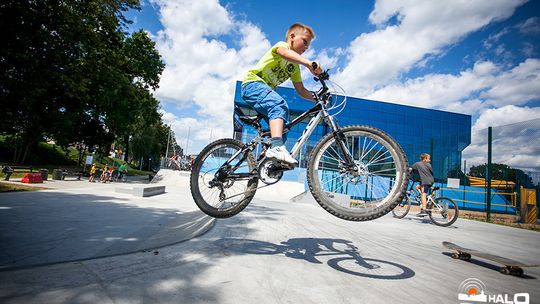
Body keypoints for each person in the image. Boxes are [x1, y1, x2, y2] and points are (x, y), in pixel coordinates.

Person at [241, 23, 322, 165]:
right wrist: (309, 63)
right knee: (279, 104)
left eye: (308, 46)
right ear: (292, 37)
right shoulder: (281, 46)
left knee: (283, 128)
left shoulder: (294, 67)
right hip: (252, 84)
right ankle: (276, 147)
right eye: (304, 42)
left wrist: (318, 99)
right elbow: (285, 53)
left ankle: (264, 161)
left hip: (263, 92)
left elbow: (301, 90)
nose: (306, 47)